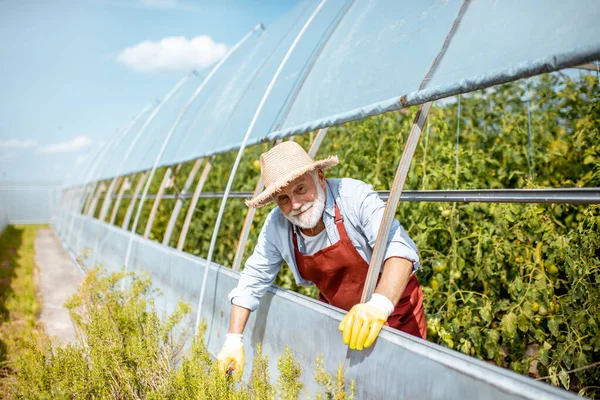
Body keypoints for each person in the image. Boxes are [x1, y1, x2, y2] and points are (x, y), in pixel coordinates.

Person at [217, 141, 426, 377]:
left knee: (401, 382)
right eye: (283, 199)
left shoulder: (352, 197)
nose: (295, 204)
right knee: (346, 385)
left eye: (300, 189)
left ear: (320, 176)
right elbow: (251, 281)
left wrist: (378, 306)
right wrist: (233, 340)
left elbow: (399, 248)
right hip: (341, 321)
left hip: (395, 312)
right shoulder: (277, 225)